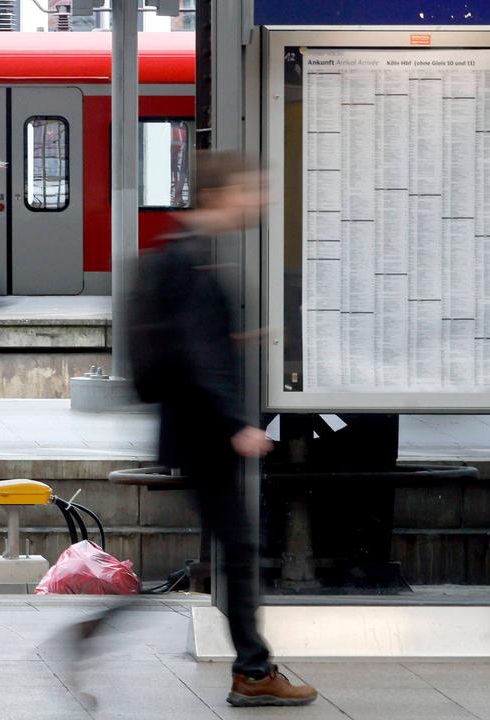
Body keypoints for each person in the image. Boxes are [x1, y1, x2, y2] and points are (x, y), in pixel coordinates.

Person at [145, 151, 317, 707]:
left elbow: (192, 342)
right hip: (207, 434)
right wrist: (237, 424)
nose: (260, 200)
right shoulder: (192, 258)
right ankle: (253, 670)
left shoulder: (186, 253)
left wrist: (236, 342)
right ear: (222, 194)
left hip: (197, 430)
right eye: (252, 189)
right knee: (240, 549)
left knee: (238, 548)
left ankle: (253, 667)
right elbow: (195, 354)